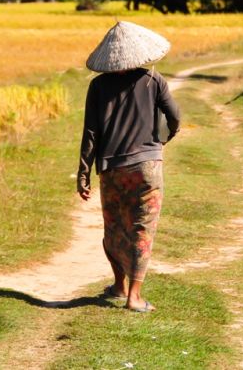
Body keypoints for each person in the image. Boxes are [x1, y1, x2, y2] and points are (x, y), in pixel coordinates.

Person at [77, 21, 181, 313]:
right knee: (141, 228)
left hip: (111, 169)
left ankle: (119, 285)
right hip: (147, 168)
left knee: (114, 228)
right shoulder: (153, 80)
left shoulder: (97, 86)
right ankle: (133, 296)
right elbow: (174, 117)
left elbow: (91, 133)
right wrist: (163, 140)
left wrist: (84, 172)